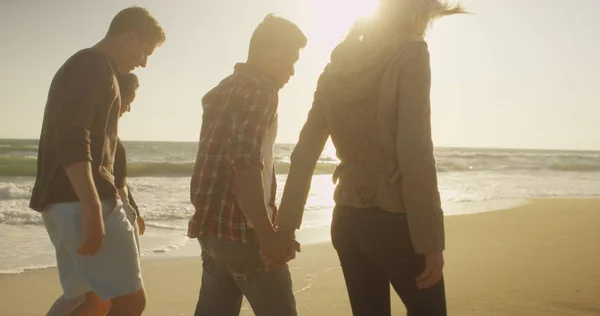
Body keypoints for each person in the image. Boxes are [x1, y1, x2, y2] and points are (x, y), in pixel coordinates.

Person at [274, 1, 467, 315]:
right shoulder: (411, 54)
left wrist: (286, 227)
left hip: (346, 222)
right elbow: (415, 154)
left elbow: (304, 153)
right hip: (393, 221)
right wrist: (431, 242)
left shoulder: (334, 67)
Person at [29, 6, 165, 316]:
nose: (143, 62)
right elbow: (72, 136)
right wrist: (91, 206)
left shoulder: (88, 67)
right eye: (145, 51)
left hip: (65, 203)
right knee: (130, 301)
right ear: (131, 37)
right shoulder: (92, 66)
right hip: (84, 202)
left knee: (93, 300)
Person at [187, 14, 306, 316]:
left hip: (213, 233)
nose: (292, 71)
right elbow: (245, 163)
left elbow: (213, 163)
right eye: (291, 59)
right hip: (245, 235)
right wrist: (267, 235)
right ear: (273, 51)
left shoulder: (224, 88)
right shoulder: (262, 89)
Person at [44, 73, 145, 316]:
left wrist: (135, 211)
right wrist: (127, 214)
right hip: (109, 214)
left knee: (91, 295)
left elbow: (118, 181)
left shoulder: (107, 137)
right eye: (126, 100)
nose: (128, 108)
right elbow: (116, 187)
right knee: (99, 296)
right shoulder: (105, 139)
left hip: (106, 211)